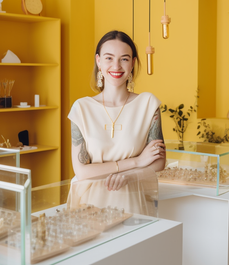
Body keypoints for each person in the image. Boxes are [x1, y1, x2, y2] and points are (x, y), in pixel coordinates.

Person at [67, 30, 166, 216]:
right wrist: (136, 162)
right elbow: (82, 171)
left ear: (133, 63)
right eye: (109, 58)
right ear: (98, 61)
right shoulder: (81, 108)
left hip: (132, 203)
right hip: (88, 206)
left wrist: (127, 177)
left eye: (124, 59)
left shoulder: (148, 104)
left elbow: (159, 161)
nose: (116, 66)